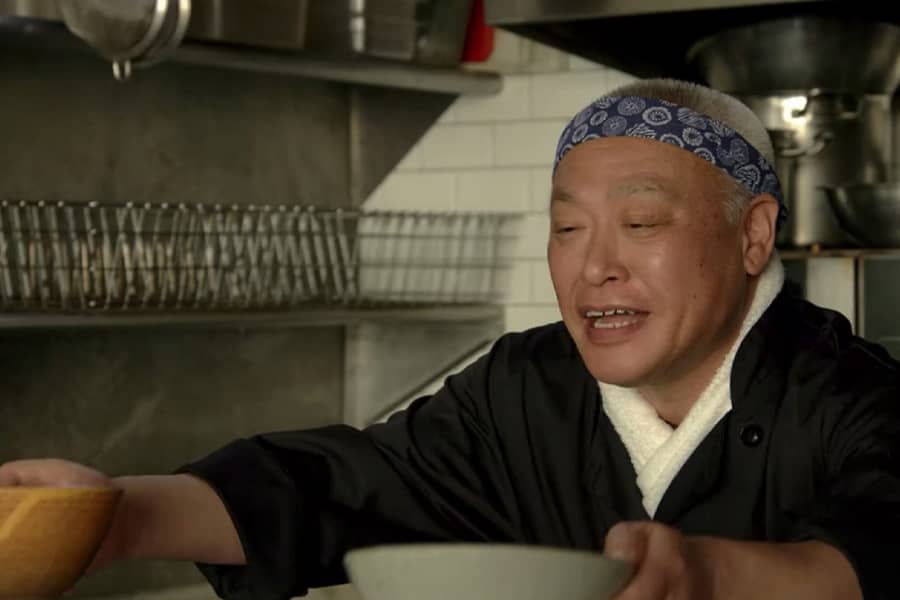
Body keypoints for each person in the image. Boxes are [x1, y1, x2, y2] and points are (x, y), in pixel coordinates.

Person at [2, 78, 898, 600]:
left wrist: (707, 573)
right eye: (568, 228)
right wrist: (112, 516)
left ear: (752, 236)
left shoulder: (852, 397)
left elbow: (882, 549)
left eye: (642, 223)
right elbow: (343, 485)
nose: (595, 269)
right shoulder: (526, 385)